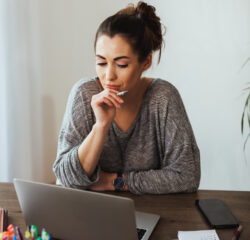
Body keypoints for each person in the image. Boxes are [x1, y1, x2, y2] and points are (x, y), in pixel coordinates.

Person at [53, 1, 200, 194]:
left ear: (146, 62)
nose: (108, 75)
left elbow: (186, 176)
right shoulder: (84, 94)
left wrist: (113, 182)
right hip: (89, 213)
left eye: (121, 64)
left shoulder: (163, 98)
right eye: (101, 62)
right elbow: (65, 177)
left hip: (154, 213)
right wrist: (101, 126)